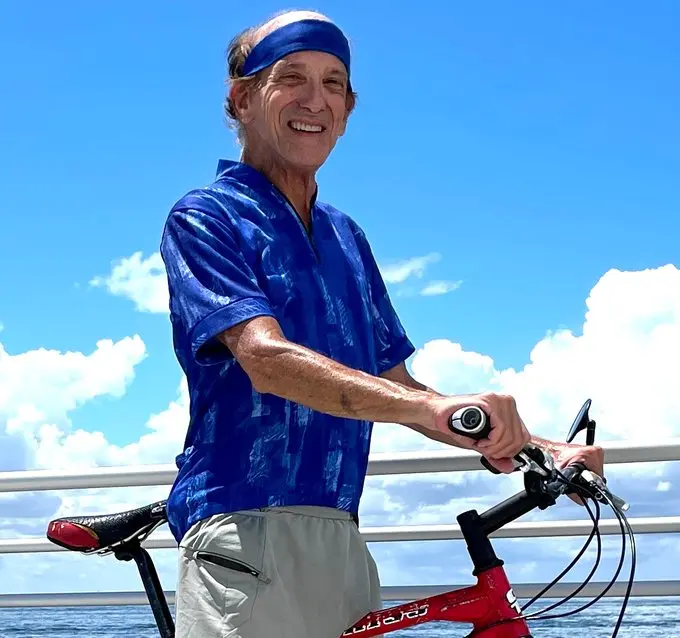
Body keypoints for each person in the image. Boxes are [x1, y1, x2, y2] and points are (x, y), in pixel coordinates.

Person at [159, 9, 605, 638]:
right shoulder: (206, 217)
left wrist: (534, 448)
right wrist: (425, 411)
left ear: (346, 112)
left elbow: (399, 383)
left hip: (341, 529)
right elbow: (265, 358)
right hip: (244, 527)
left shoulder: (346, 236)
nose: (316, 99)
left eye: (335, 83)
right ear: (242, 99)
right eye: (292, 77)